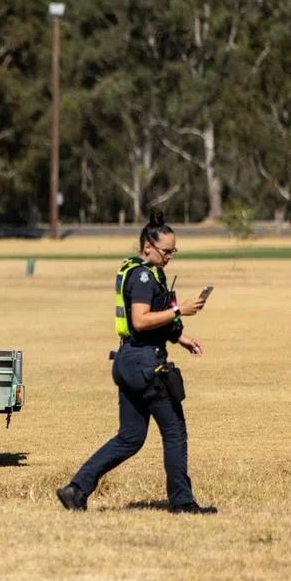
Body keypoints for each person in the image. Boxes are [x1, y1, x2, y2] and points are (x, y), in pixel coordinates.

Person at [57, 211, 217, 515]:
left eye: (173, 251)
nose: (170, 256)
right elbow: (141, 320)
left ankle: (76, 489)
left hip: (129, 361)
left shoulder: (147, 272)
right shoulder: (143, 277)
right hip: (145, 365)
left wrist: (179, 337)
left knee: (130, 438)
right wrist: (179, 311)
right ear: (147, 247)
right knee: (174, 432)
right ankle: (183, 502)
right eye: (166, 251)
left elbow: (149, 324)